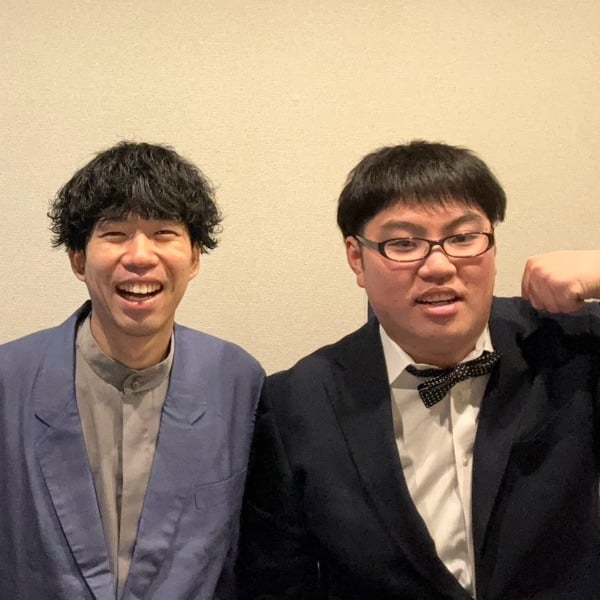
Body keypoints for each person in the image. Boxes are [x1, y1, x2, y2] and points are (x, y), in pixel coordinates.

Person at [235, 140, 600, 599]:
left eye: (463, 238)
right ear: (356, 258)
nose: (439, 266)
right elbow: (276, 586)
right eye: (404, 244)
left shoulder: (572, 342)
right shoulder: (296, 404)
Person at [0, 142, 264, 600]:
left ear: (194, 257)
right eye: (115, 233)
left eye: (164, 233)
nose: (140, 255)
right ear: (78, 259)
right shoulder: (8, 381)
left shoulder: (238, 381)